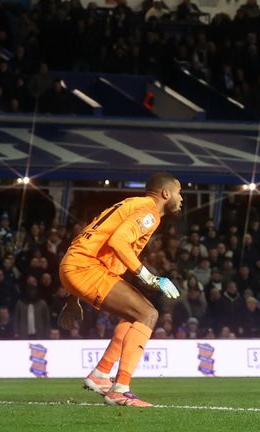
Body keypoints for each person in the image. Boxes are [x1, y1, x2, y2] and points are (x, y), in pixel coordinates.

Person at [58, 173, 183, 408]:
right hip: (85, 267)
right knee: (149, 314)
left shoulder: (130, 204)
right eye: (179, 192)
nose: (181, 198)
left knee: (134, 316)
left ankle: (101, 374)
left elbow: (93, 241)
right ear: (166, 194)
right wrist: (149, 277)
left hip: (75, 265)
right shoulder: (149, 212)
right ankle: (120, 389)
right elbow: (119, 241)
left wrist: (72, 297)